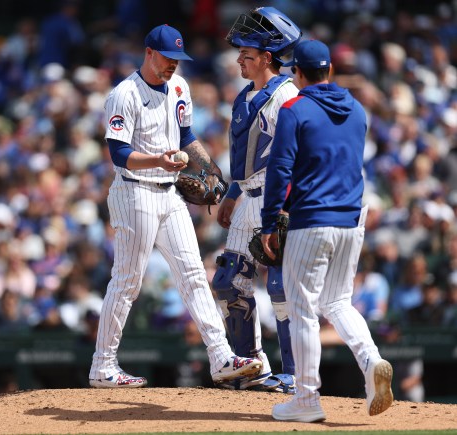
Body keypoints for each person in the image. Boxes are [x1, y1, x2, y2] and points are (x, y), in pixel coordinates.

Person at [89, 24, 263, 388]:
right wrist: (158, 160)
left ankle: (221, 357)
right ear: (149, 52)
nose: (173, 65)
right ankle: (102, 365)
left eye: (178, 59)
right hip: (134, 191)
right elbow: (118, 153)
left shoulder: (180, 86)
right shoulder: (125, 94)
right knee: (127, 281)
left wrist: (212, 170)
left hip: (169, 192)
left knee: (195, 274)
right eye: (168, 58)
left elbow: (187, 137)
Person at [260, 40, 393, 422]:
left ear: (297, 73)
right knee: (337, 301)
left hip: (312, 220)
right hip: (352, 220)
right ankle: (372, 363)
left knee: (302, 309)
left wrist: (270, 221)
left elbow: (280, 170)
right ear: (330, 69)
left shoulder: (294, 108)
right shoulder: (357, 109)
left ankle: (306, 399)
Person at [212, 7, 301, 394]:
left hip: (276, 194)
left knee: (281, 287)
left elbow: (298, 154)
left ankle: (296, 374)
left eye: (247, 56)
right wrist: (232, 192)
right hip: (248, 192)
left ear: (267, 58)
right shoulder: (243, 96)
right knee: (230, 281)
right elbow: (241, 156)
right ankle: (250, 367)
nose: (240, 61)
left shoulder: (288, 95)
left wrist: (286, 204)